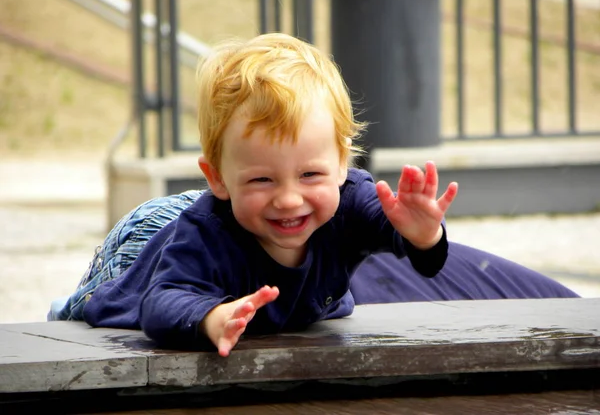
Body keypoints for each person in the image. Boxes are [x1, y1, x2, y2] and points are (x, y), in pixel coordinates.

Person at [52, 33, 459, 357]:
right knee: (91, 311)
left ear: (342, 165)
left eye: (309, 174)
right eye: (262, 180)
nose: (288, 198)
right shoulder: (206, 235)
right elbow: (160, 304)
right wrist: (210, 316)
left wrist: (424, 233)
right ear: (218, 178)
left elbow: (422, 257)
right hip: (146, 245)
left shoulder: (353, 199)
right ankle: (65, 305)